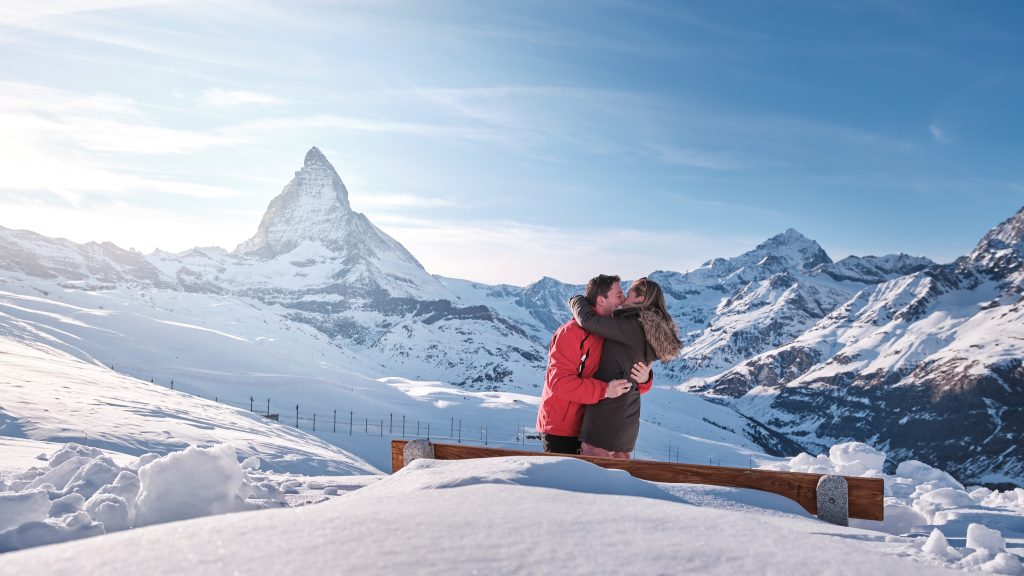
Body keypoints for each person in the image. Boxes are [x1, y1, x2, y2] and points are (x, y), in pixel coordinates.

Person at [536, 274, 652, 454]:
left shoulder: (613, 332)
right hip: (563, 429)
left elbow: (622, 385)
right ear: (601, 300)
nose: (623, 299)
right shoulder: (571, 333)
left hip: (594, 430)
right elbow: (559, 383)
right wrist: (604, 390)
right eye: (619, 293)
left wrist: (644, 379)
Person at [569, 277, 682, 459]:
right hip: (627, 419)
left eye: (627, 294)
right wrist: (646, 378)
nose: (623, 299)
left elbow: (588, 321)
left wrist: (576, 300)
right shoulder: (649, 328)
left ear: (641, 299)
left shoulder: (633, 325)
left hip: (606, 417)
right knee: (619, 480)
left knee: (592, 476)